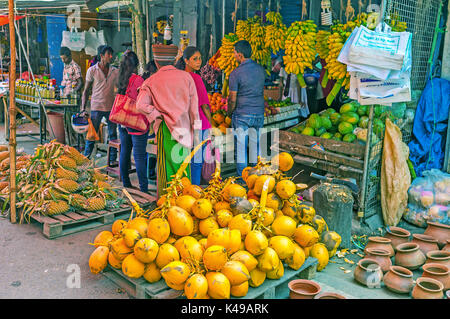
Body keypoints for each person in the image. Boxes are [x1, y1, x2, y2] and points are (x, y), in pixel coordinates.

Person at [136, 45, 199, 198]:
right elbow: (194, 111)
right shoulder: (187, 77)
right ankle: (185, 204)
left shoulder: (151, 81)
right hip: (185, 129)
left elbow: (140, 105)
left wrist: (157, 113)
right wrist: (196, 134)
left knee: (167, 171)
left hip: (166, 129)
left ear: (156, 62)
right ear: (174, 60)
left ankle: (167, 206)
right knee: (183, 168)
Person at [175, 46, 214, 186]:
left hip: (183, 124)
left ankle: (187, 188)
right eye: (195, 59)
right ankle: (194, 190)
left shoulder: (178, 77)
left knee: (185, 160)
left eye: (200, 59)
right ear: (186, 60)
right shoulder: (196, 78)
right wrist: (212, 125)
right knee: (197, 161)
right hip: (200, 123)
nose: (199, 62)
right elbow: (204, 105)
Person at [227, 40, 266, 177]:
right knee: (256, 147)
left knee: (241, 149)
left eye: (234, 52)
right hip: (259, 113)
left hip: (242, 114)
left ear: (240, 54)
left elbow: (232, 99)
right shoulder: (261, 69)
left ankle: (243, 181)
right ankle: (258, 178)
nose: (234, 55)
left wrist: (228, 113)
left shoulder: (236, 73)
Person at [80, 45, 119, 164]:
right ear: (101, 56)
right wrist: (83, 109)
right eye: (108, 55)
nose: (111, 57)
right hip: (96, 107)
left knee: (113, 135)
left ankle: (112, 160)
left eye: (111, 54)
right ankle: (85, 159)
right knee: (92, 135)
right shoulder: (92, 70)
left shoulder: (115, 71)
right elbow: (86, 91)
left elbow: (119, 88)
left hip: (111, 107)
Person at [116, 50, 148, 193]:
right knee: (139, 154)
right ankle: (143, 187)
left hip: (122, 120)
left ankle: (126, 183)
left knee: (125, 151)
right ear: (136, 64)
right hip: (135, 120)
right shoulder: (138, 80)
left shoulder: (120, 77)